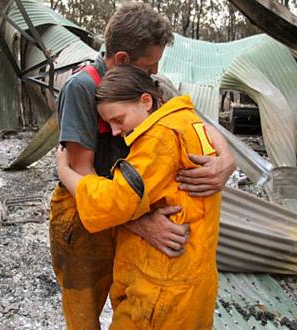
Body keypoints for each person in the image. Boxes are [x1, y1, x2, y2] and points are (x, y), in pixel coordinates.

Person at [49, 2, 235, 329]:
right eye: (150, 66)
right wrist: (141, 222)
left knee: (130, 295)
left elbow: (187, 115)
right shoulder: (83, 88)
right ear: (122, 60)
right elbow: (80, 171)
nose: (154, 73)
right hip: (87, 211)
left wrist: (227, 159)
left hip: (124, 205)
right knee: (84, 310)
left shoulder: (140, 88)